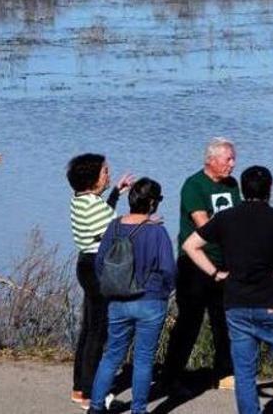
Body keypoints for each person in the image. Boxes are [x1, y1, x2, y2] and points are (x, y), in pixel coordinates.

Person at [182, 166, 273, 414]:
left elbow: (190, 245)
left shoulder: (225, 218)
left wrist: (215, 273)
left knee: (244, 372)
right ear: (270, 188)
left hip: (237, 303)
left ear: (242, 190)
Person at [88, 178, 177, 414]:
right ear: (151, 203)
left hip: (118, 299)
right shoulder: (157, 232)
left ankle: (96, 406)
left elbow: (100, 263)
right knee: (144, 359)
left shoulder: (114, 226)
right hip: (151, 300)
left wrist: (110, 288)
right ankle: (139, 409)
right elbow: (168, 269)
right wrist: (165, 292)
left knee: (112, 355)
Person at [162, 137, 240, 391]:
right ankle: (171, 375)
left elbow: (238, 216)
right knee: (189, 321)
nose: (232, 164)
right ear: (212, 160)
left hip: (225, 262)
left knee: (225, 320)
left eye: (233, 158)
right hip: (194, 263)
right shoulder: (194, 186)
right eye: (228, 159)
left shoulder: (232, 185)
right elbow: (203, 224)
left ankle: (225, 372)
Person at [67, 154, 134, 408]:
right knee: (98, 331)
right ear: (93, 179)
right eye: (105, 172)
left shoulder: (82, 201)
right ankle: (89, 392)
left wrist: (116, 192)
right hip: (96, 268)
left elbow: (103, 215)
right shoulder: (92, 205)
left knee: (89, 328)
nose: (108, 175)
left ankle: (79, 387)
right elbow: (116, 229)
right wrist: (144, 222)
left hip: (86, 264)